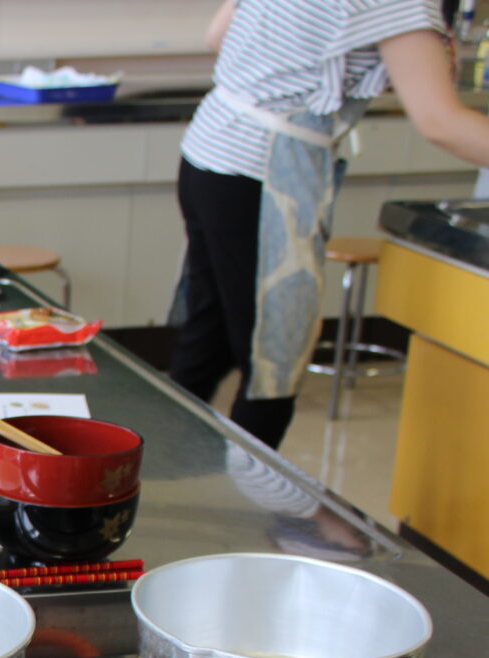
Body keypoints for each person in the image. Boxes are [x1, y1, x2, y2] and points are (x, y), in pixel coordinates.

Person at [169, 0, 489, 448]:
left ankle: (140, 483)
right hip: (263, 173)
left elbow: (217, 36)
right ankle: (244, 505)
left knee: (208, 346)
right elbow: (440, 122)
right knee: (273, 372)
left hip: (210, 154)